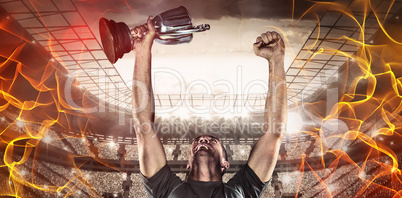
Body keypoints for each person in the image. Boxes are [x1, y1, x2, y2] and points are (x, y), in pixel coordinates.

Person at [131, 16, 287, 198]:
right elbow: (142, 125)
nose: (203, 140)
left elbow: (274, 134)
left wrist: (276, 59)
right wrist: (142, 52)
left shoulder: (242, 190)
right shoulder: (167, 188)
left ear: (225, 164)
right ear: (187, 163)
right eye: (199, 141)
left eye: (211, 141)